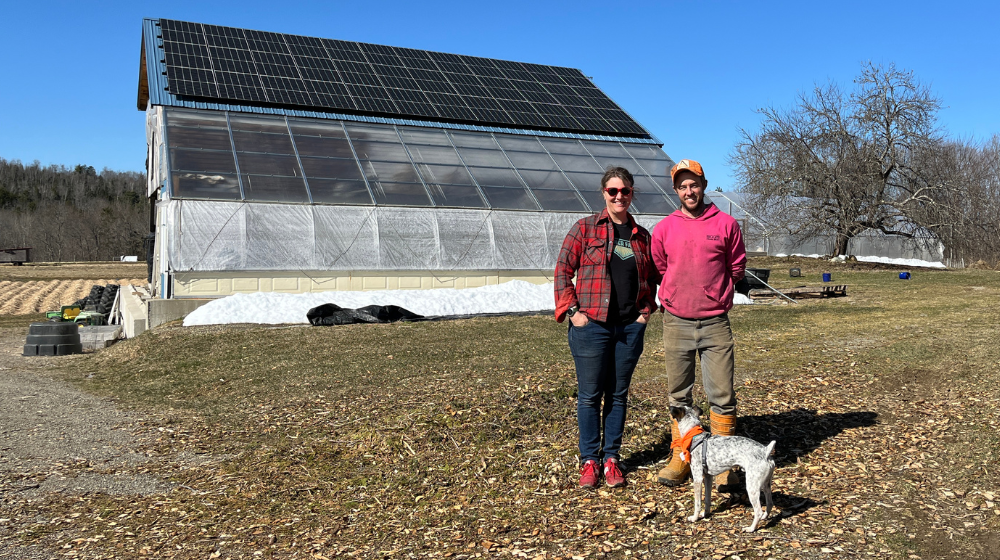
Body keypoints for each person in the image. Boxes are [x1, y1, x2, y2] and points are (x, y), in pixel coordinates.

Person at [554, 166, 661, 489]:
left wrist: (646, 312)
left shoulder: (642, 236)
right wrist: (573, 312)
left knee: (618, 394)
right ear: (604, 193)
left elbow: (655, 277)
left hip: (629, 328)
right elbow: (562, 271)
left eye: (624, 191)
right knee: (589, 395)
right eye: (612, 191)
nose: (619, 197)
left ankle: (611, 458)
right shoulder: (585, 229)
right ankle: (590, 460)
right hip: (592, 326)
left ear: (632, 194)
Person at [650, 159, 747, 488]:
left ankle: (724, 464)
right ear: (675, 190)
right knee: (679, 395)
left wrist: (718, 295)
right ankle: (682, 455)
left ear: (703, 186)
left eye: (694, 184)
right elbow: (661, 267)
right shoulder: (665, 228)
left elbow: (736, 266)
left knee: (722, 393)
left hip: (715, 322)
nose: (688, 191)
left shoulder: (725, 224)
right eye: (682, 186)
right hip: (676, 321)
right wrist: (676, 293)